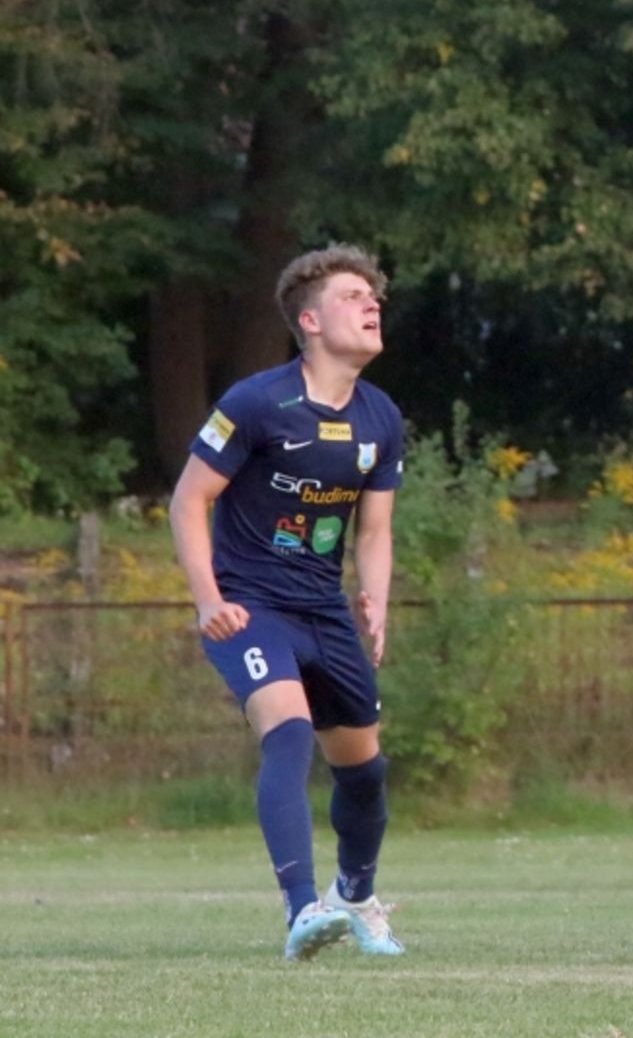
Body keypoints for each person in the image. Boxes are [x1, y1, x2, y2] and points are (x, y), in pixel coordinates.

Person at [168, 245, 406, 961]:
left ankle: (356, 897)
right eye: (353, 296)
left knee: (364, 771)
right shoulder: (256, 402)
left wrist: (376, 598)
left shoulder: (381, 416)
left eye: (375, 297)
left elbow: (376, 528)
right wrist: (209, 601)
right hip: (249, 607)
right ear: (309, 319)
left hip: (323, 612)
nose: (372, 305)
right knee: (288, 729)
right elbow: (187, 500)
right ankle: (302, 911)